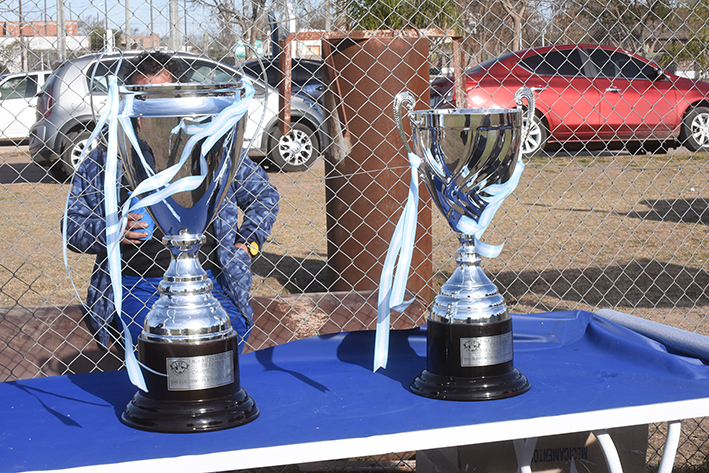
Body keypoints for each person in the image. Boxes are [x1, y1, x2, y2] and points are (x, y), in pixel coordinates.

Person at [65, 51, 279, 352]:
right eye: (142, 98)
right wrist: (112, 230)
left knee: (229, 340)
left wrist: (248, 244)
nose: (149, 111)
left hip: (209, 279)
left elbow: (264, 195)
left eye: (160, 97)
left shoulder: (207, 147)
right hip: (136, 283)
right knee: (165, 348)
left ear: (179, 100)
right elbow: (71, 225)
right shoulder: (107, 158)